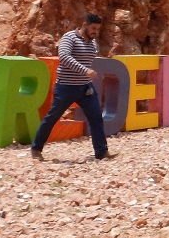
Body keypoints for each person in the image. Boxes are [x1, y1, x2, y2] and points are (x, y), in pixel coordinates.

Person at [30, 14, 112, 162]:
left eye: (98, 29)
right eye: (93, 28)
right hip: (66, 87)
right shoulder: (69, 38)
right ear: (84, 24)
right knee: (53, 117)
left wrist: (86, 73)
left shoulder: (93, 43)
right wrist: (85, 70)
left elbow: (88, 59)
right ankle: (36, 149)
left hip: (85, 87)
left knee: (96, 117)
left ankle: (101, 152)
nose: (95, 32)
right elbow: (64, 57)